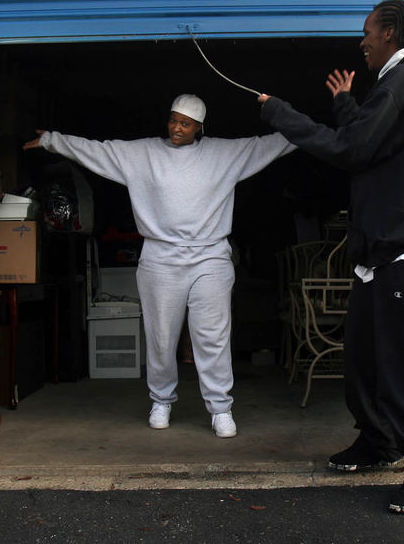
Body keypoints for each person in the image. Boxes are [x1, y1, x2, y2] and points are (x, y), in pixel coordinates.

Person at [256, 0, 404, 513]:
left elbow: (350, 149)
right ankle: (378, 443)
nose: (361, 41)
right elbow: (368, 141)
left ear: (389, 32)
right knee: (364, 363)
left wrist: (280, 113)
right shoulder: (400, 86)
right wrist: (346, 102)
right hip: (380, 257)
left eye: (367, 32)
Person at [23, 94, 296, 438]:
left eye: (185, 123)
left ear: (200, 127)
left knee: (212, 336)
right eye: (173, 120)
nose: (176, 128)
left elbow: (270, 145)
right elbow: (99, 150)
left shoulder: (224, 154)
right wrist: (53, 140)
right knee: (161, 337)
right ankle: (162, 400)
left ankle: (221, 407)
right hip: (160, 258)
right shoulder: (143, 154)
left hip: (210, 256)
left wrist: (314, 129)